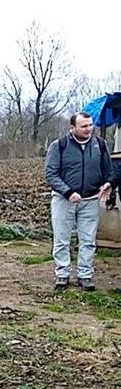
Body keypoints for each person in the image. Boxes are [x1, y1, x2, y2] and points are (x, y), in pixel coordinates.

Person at [46, 112, 119, 291]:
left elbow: (109, 170)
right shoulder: (59, 146)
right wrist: (68, 192)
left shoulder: (100, 145)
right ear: (72, 128)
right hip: (64, 200)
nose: (88, 129)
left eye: (90, 125)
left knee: (88, 240)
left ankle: (85, 275)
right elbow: (51, 174)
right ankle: (62, 274)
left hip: (90, 200)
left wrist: (109, 186)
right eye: (84, 126)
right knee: (62, 239)